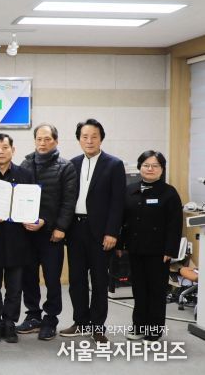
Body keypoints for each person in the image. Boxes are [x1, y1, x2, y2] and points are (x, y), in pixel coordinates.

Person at [60, 119, 125, 343]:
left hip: (101, 232)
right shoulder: (72, 164)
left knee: (99, 281)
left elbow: (118, 202)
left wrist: (112, 232)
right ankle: (80, 322)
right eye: (85, 137)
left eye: (94, 136)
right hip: (75, 229)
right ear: (79, 139)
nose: (89, 141)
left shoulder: (114, 164)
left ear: (101, 138)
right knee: (76, 280)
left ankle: (98, 326)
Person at [17, 124, 78, 340]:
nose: (42, 143)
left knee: (52, 278)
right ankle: (33, 315)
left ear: (56, 141)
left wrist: (59, 227)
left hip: (52, 234)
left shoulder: (66, 167)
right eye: (39, 139)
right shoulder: (25, 164)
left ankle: (50, 319)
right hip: (27, 233)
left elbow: (69, 201)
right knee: (28, 277)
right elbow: (20, 197)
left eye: (47, 139)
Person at [119, 151, 182, 341]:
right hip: (135, 248)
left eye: (155, 166)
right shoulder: (130, 190)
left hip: (158, 251)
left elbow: (175, 224)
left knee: (156, 291)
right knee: (138, 289)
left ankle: (154, 331)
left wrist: (170, 249)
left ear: (162, 169)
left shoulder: (169, 193)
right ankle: (138, 326)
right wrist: (120, 244)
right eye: (146, 165)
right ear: (140, 167)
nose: (150, 169)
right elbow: (122, 219)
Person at [0, 134, 35, 344]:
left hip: (18, 239)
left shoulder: (25, 174)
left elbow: (33, 202)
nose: (1, 151)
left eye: (5, 147)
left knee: (15, 288)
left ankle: (10, 323)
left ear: (13, 150)